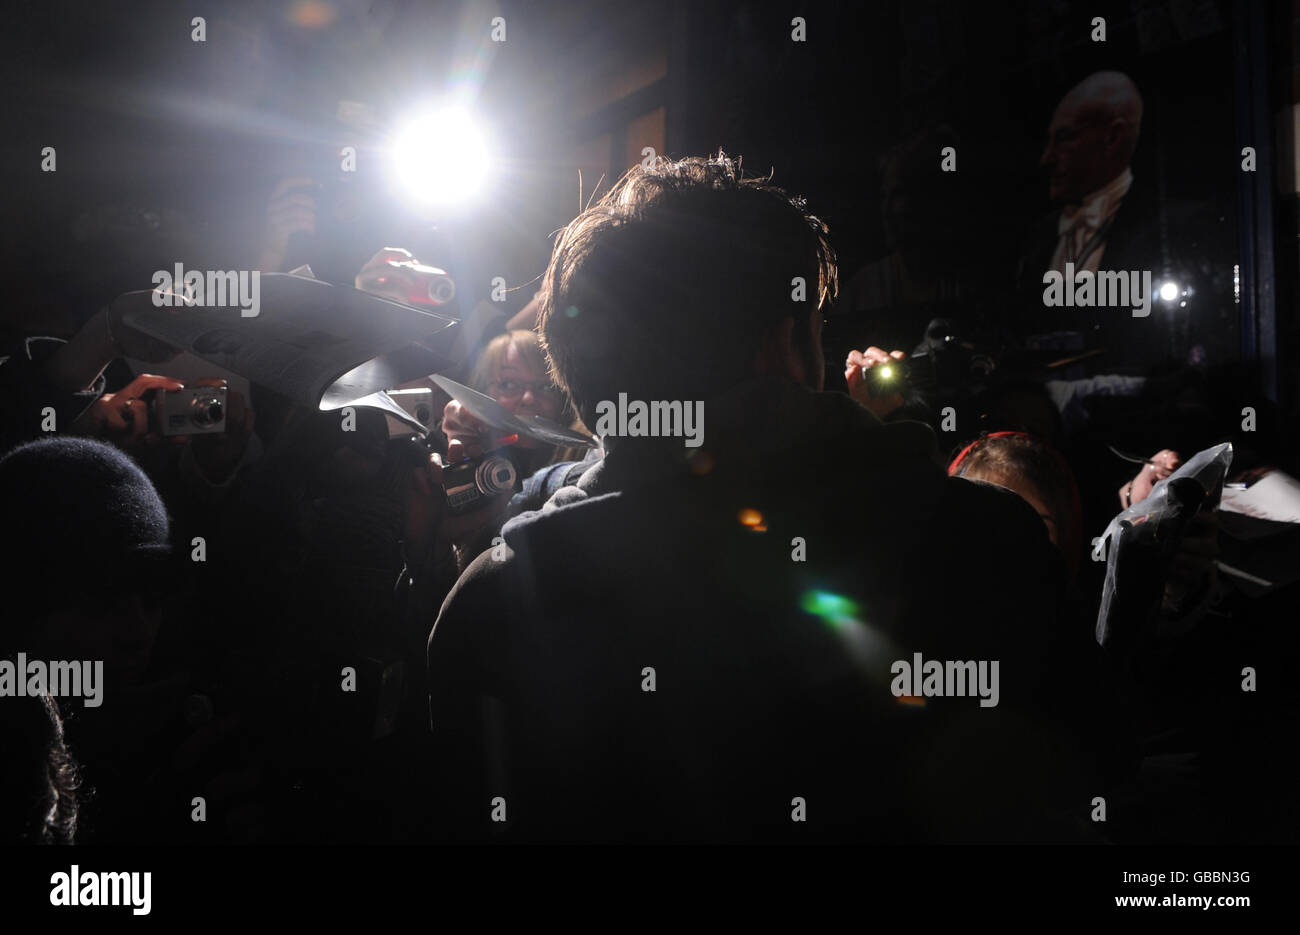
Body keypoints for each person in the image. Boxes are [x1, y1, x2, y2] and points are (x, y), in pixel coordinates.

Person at [426, 154, 1112, 843]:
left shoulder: (494, 605)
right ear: (786, 346)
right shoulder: (991, 550)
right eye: (816, 325)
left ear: (578, 370)